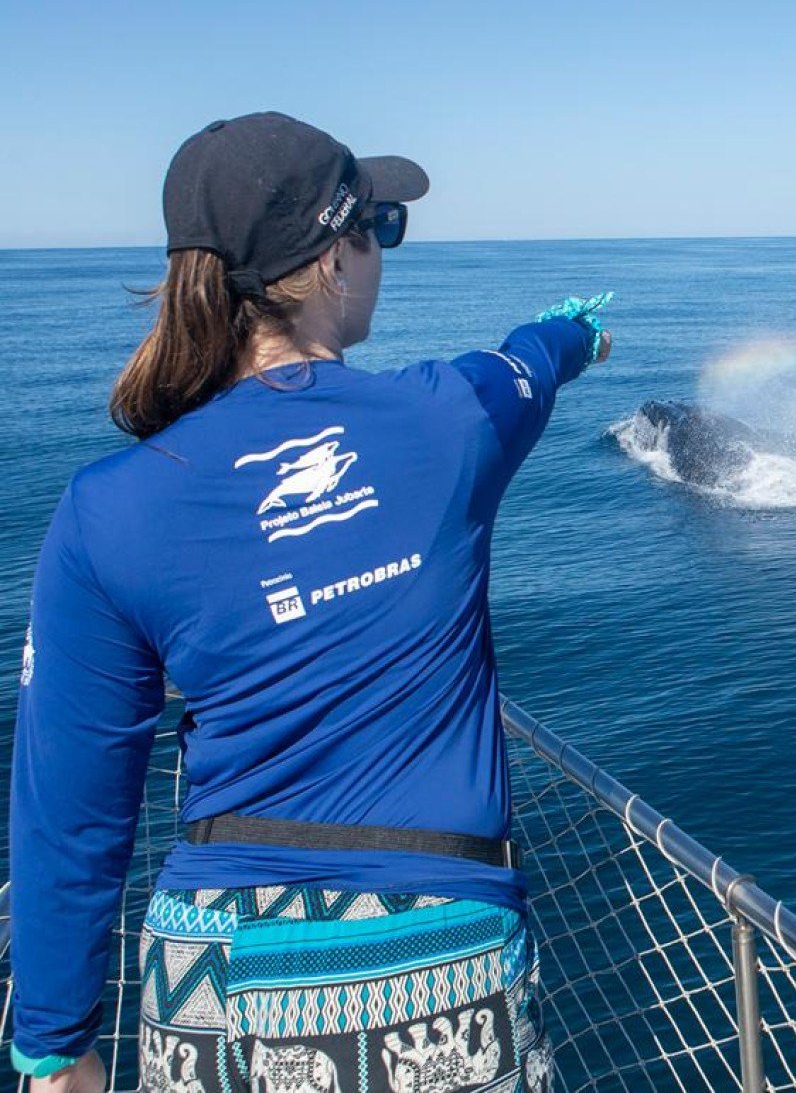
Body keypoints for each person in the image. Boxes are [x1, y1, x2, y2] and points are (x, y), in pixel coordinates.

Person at [9, 112, 610, 1091]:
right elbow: (529, 364)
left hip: (209, 978)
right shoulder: (449, 418)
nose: (385, 253)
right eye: (381, 225)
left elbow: (66, 810)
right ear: (335, 261)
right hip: (433, 966)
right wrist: (580, 331)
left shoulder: (105, 509)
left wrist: (53, 1043)